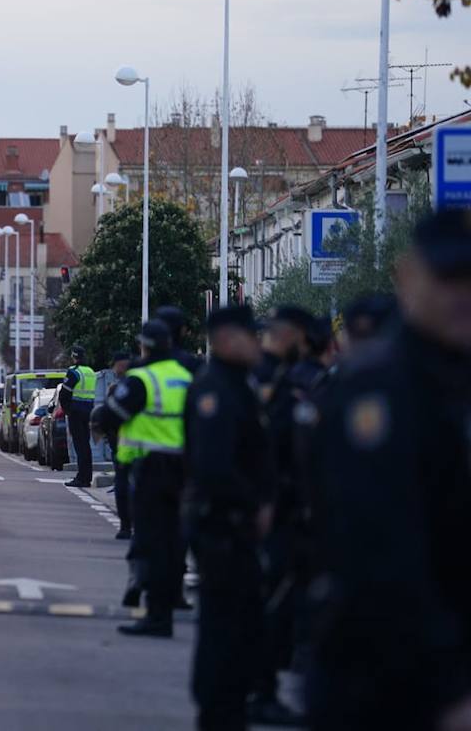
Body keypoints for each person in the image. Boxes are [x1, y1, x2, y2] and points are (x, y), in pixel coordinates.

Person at [306, 209, 471, 731]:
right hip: (386, 685)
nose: (467, 295)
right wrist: (450, 690)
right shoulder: (380, 392)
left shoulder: (462, 386)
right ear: (409, 276)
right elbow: (381, 556)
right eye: (449, 276)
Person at [184, 305, 274, 730]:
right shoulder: (216, 390)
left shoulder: (239, 385)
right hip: (223, 523)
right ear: (223, 340)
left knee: (240, 623)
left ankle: (231, 704)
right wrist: (255, 505)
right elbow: (215, 465)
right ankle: (218, 710)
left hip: (234, 523)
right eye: (248, 335)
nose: (256, 342)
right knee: (224, 624)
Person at [95, 320, 191, 637]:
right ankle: (172, 597)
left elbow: (111, 413)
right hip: (185, 469)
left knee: (150, 540)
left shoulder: (142, 379)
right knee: (175, 540)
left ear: (145, 346)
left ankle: (156, 612)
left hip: (151, 467)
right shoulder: (186, 377)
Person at [250, 304, 316, 726]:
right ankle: (260, 691)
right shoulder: (273, 381)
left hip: (268, 507)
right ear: (291, 335)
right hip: (270, 509)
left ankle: (260, 688)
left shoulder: (265, 378)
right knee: (268, 601)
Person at [92, 351, 133, 539]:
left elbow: (109, 415)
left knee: (124, 484)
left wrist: (102, 430)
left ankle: (126, 526)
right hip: (164, 448)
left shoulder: (124, 387)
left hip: (128, 446)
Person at [57, 345, 97, 488]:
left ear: (74, 357)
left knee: (79, 446)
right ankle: (87, 476)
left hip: (76, 412)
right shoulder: (91, 372)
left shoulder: (74, 372)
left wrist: (67, 410)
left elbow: (64, 394)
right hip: (89, 411)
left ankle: (81, 478)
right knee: (86, 445)